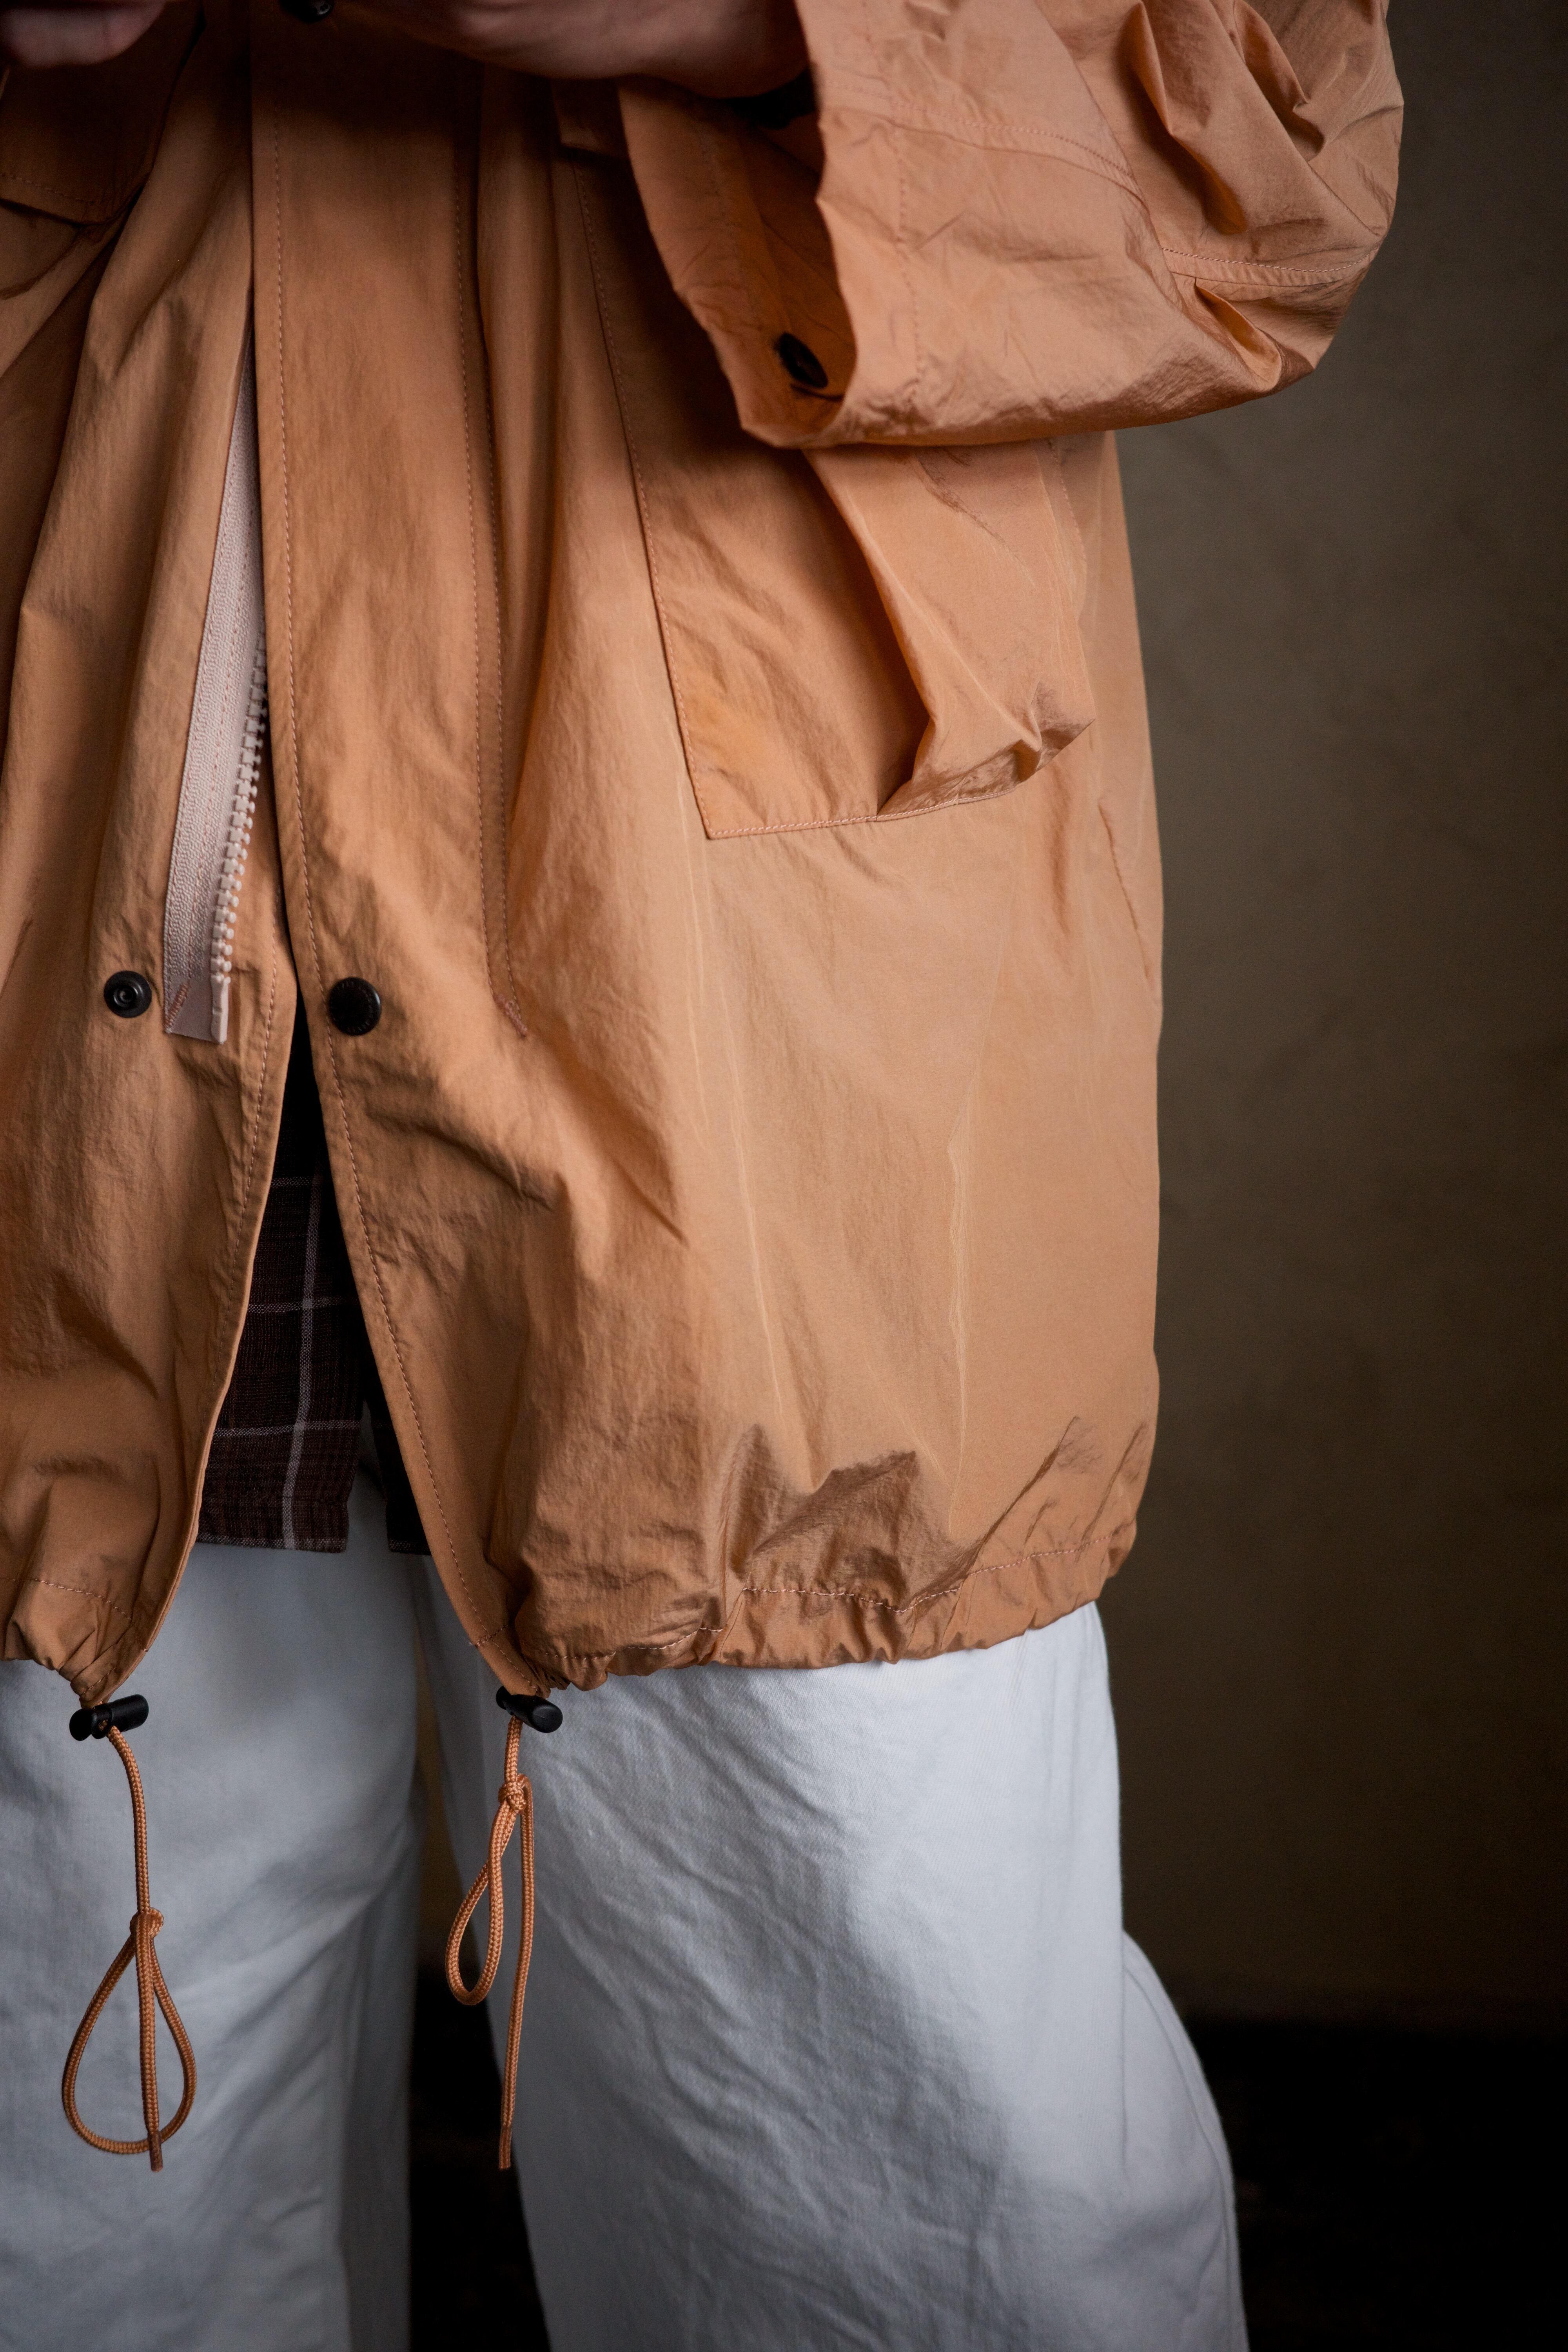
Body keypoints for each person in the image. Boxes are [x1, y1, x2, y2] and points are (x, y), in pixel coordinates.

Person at [0, 4, 1400, 2347]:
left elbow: (1272, 148)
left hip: (743, 1036)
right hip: (73, 985)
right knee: (66, 2197)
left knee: (880, 2188)